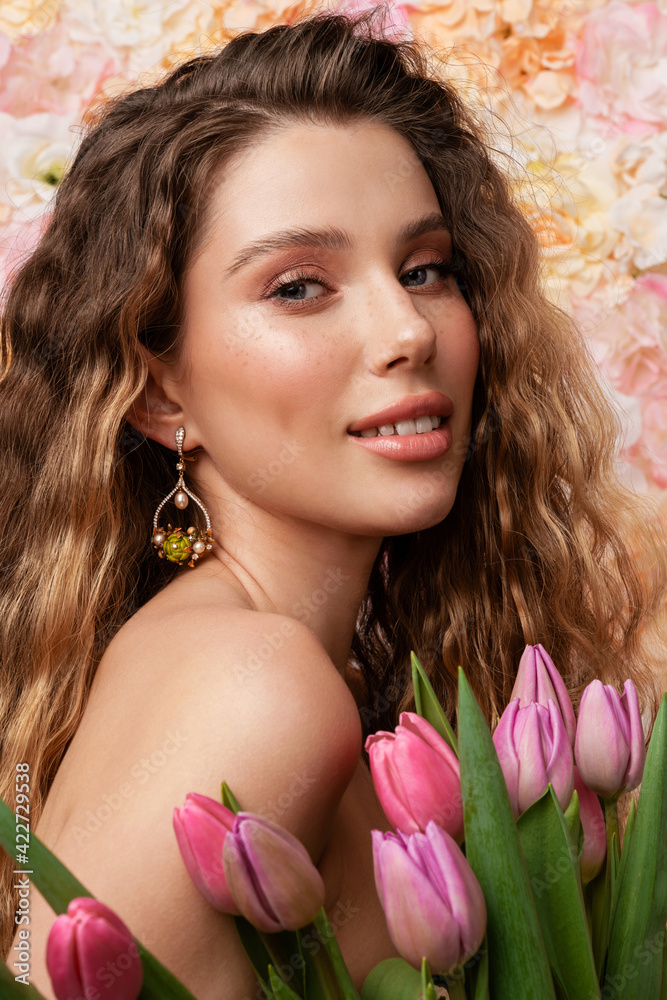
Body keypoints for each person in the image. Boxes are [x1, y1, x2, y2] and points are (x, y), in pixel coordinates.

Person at [1, 5, 665, 997]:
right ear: (161, 393)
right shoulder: (252, 686)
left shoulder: (292, 661)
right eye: (299, 286)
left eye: (425, 269)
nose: (408, 330)